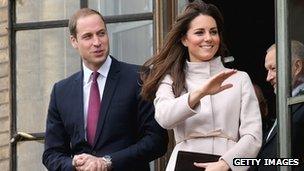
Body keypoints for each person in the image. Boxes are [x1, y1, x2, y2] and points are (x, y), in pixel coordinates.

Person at [140, 1, 262, 171]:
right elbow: (164, 118)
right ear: (184, 39)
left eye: (213, 32)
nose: (208, 38)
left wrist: (225, 164)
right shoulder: (171, 79)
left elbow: (253, 135)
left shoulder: (240, 79)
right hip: (183, 163)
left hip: (227, 164)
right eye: (199, 32)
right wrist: (201, 92)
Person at [42, 8, 168, 171]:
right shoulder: (61, 91)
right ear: (74, 41)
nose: (97, 42)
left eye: (101, 33)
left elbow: (156, 141)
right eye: (88, 36)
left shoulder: (139, 78)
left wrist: (107, 161)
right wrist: (74, 164)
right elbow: (51, 154)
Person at [256, 40, 304, 171]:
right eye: (267, 70)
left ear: (297, 67)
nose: (268, 77)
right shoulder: (286, 104)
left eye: (273, 69)